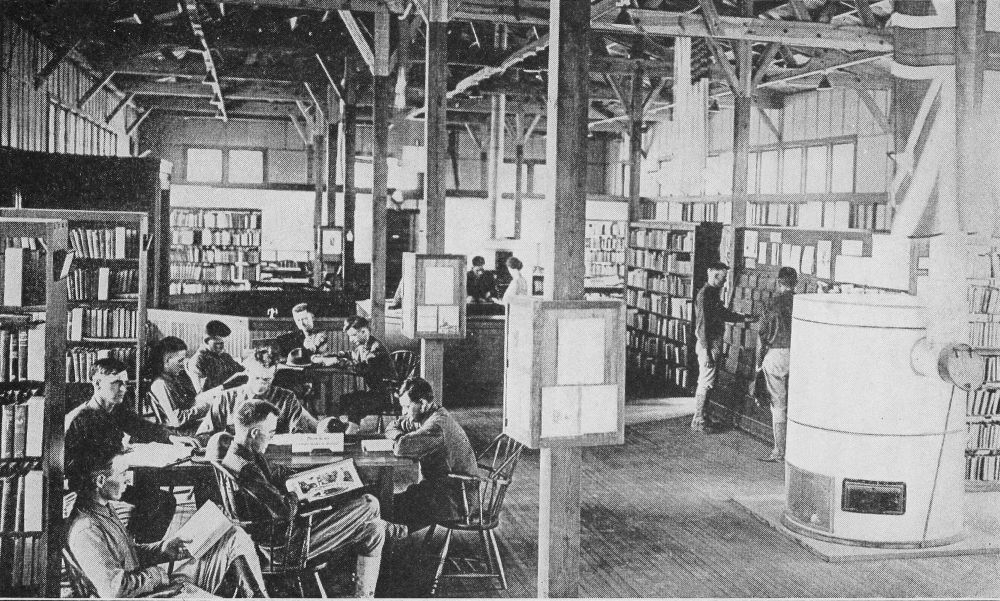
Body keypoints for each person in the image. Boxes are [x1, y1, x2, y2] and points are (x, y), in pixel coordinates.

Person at [221, 399, 407, 597]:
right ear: (254, 433)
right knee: (370, 503)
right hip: (285, 547)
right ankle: (390, 527)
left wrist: (319, 474)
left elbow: (279, 473)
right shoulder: (247, 470)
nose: (272, 438)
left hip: (287, 534)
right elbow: (285, 510)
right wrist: (298, 493)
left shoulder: (242, 455)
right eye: (271, 433)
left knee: (374, 530)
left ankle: (363, 597)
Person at [66, 445, 267, 598]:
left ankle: (258, 596)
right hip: (149, 594)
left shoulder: (103, 508)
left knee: (233, 534)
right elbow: (115, 590)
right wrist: (157, 575)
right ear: (100, 481)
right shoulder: (87, 530)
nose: (128, 479)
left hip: (154, 586)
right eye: (123, 473)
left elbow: (126, 554)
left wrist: (163, 549)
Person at [65, 358, 198, 543]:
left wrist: (171, 437)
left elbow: (143, 427)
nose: (123, 389)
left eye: (125, 383)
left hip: (111, 480)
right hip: (89, 490)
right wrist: (115, 455)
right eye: (116, 383)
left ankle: (136, 546)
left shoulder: (115, 409)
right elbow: (73, 468)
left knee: (158, 497)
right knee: (159, 500)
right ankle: (134, 546)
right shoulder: (79, 419)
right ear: (97, 383)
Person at [384, 377, 478, 531]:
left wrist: (399, 438)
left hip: (455, 500)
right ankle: (392, 533)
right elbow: (392, 425)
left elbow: (401, 447)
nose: (403, 412)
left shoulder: (436, 426)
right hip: (444, 489)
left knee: (386, 508)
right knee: (389, 503)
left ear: (422, 403)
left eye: (407, 407)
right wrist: (399, 435)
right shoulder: (430, 415)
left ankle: (389, 536)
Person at [196, 347, 319, 439]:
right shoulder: (226, 398)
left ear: (274, 374)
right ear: (248, 372)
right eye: (256, 378)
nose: (261, 384)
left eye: (266, 379)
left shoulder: (287, 399)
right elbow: (205, 435)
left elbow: (300, 435)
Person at [692, 262, 755, 433]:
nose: (724, 281)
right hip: (708, 344)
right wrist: (707, 353)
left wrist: (744, 318)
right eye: (722, 277)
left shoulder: (712, 293)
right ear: (713, 275)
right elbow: (701, 327)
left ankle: (703, 416)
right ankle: (698, 420)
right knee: (706, 381)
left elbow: (723, 314)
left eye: (725, 278)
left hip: (712, 343)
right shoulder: (705, 295)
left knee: (709, 381)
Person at [756, 267, 797, 462]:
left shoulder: (770, 304)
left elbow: (762, 337)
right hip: (800, 355)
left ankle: (779, 451)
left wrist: (758, 364)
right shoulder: (802, 302)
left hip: (777, 356)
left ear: (779, 282)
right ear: (795, 283)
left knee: (779, 406)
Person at [333, 316, 395, 432]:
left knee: (355, 403)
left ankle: (351, 432)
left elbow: (366, 369)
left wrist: (346, 363)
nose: (351, 339)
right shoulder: (364, 346)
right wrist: (338, 356)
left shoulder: (376, 348)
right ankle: (344, 428)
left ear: (364, 331)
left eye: (353, 335)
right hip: (375, 392)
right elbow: (353, 355)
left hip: (386, 395)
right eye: (349, 336)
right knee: (345, 399)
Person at [147, 336, 211, 436]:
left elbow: (190, 402)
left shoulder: (176, 378)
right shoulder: (160, 384)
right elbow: (177, 420)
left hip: (187, 427)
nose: (183, 365)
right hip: (176, 433)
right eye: (180, 361)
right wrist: (205, 407)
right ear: (167, 361)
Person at [188, 320, 245, 393]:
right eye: (217, 343)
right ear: (206, 341)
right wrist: (225, 386)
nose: (221, 347)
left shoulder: (225, 357)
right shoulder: (198, 360)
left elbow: (241, 371)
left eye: (222, 343)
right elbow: (201, 394)